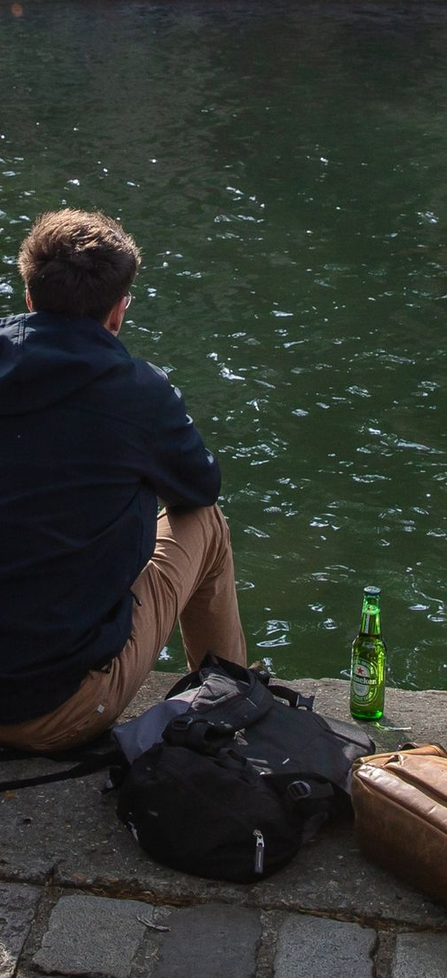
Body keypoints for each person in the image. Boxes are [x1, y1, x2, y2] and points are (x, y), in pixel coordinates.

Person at [0, 210, 246, 754]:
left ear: (29, 297)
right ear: (116, 312)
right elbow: (199, 489)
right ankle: (235, 700)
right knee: (206, 523)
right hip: (49, 708)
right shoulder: (138, 393)